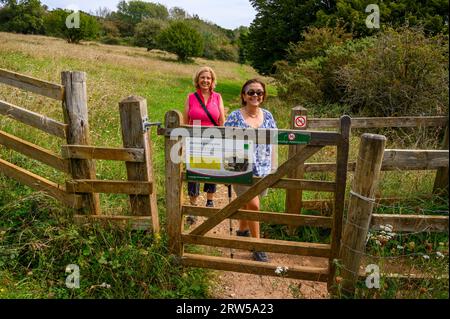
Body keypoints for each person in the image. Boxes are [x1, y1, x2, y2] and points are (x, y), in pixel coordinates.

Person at [224, 79, 277, 262]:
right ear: (243, 95)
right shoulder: (234, 116)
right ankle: (258, 247)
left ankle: (242, 230)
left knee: (250, 204)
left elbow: (275, 142)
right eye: (251, 92)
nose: (255, 95)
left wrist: (274, 168)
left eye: (259, 92)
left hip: (263, 168)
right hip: (240, 168)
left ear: (263, 96)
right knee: (254, 205)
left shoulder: (268, 116)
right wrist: (227, 170)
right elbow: (225, 142)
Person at [184, 66, 225, 224]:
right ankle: (193, 208)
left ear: (212, 81)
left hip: (213, 139)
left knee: (210, 170)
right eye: (202, 77)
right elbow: (185, 121)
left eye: (208, 78)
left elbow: (221, 121)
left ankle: (209, 201)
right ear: (197, 80)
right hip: (194, 139)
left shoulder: (218, 97)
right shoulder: (191, 97)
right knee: (194, 174)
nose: (205, 80)